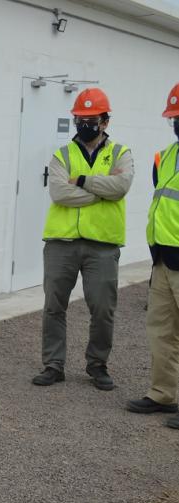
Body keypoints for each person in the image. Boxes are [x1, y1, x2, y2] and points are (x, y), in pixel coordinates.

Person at [31, 88, 134, 390]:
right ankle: (53, 365)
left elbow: (121, 186)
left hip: (102, 245)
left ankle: (97, 365)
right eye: (79, 118)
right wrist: (102, 194)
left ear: (104, 122)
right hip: (61, 242)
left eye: (90, 119)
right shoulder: (62, 154)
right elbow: (59, 193)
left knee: (103, 309)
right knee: (53, 306)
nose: (83, 123)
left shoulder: (121, 154)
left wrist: (84, 181)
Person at [127, 83, 179, 427]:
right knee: (160, 330)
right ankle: (163, 394)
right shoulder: (165, 156)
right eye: (173, 117)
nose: (176, 123)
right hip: (163, 257)